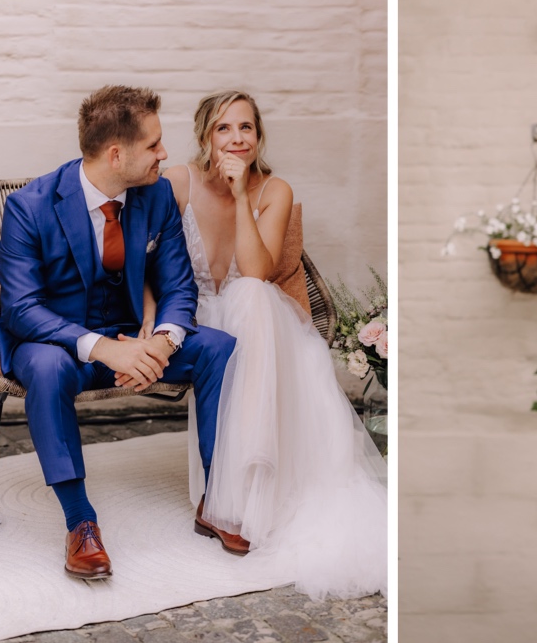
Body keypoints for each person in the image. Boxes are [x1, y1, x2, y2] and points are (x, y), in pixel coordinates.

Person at [151, 90, 387, 599]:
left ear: (259, 137)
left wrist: (239, 198)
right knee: (242, 305)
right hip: (190, 320)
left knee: (252, 295)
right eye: (223, 128)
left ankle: (247, 494)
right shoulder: (176, 183)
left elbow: (258, 271)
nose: (237, 139)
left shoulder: (272, 190)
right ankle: (232, 497)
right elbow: (149, 263)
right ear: (204, 137)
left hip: (257, 320)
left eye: (246, 128)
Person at [0, 85, 236, 580]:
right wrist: (104, 349)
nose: (164, 155)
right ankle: (80, 523)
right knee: (43, 365)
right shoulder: (29, 206)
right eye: (153, 145)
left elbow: (178, 286)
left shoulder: (157, 195)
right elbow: (20, 308)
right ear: (115, 153)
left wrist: (161, 342)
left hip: (135, 339)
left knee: (218, 348)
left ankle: (221, 501)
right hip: (60, 347)